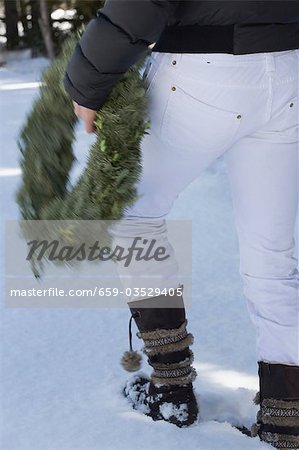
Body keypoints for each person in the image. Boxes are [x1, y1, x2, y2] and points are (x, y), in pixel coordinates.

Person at [64, 1, 299, 447]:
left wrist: (85, 82)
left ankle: (171, 388)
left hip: (203, 70)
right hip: (288, 70)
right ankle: (287, 419)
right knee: (272, 255)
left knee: (132, 215)